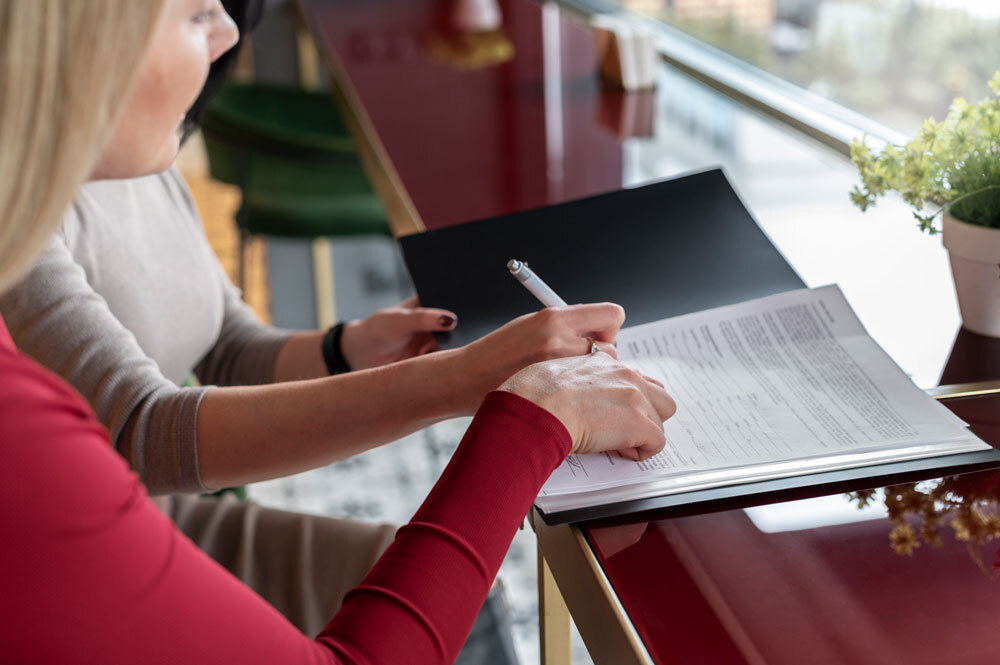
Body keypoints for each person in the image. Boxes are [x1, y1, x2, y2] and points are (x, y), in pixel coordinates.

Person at [0, 0, 677, 663]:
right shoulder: (22, 227)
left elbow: (226, 344)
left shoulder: (138, 155)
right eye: (198, 12)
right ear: (88, 36)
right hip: (115, 533)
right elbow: (144, 430)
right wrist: (478, 387)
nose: (229, 32)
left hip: (142, 517)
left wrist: (346, 347)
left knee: (463, 604)